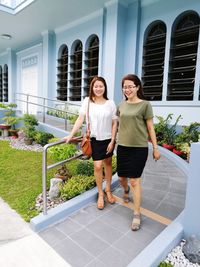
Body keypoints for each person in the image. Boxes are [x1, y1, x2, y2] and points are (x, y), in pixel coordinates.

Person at [64, 76, 118, 210]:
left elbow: (114, 123)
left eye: (101, 86)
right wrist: (71, 135)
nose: (98, 88)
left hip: (107, 139)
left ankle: (108, 190)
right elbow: (80, 119)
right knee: (98, 166)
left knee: (108, 164)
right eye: (96, 86)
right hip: (94, 139)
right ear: (92, 88)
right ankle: (100, 193)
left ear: (104, 88)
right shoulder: (87, 101)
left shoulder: (110, 103)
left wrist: (112, 140)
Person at [116, 74, 161, 231]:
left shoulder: (145, 105)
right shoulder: (121, 105)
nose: (127, 89)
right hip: (122, 147)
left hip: (139, 148)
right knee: (122, 178)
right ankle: (126, 190)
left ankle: (137, 213)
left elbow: (150, 128)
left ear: (137, 87)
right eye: (125, 87)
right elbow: (117, 124)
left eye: (130, 86)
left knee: (135, 180)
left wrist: (155, 148)